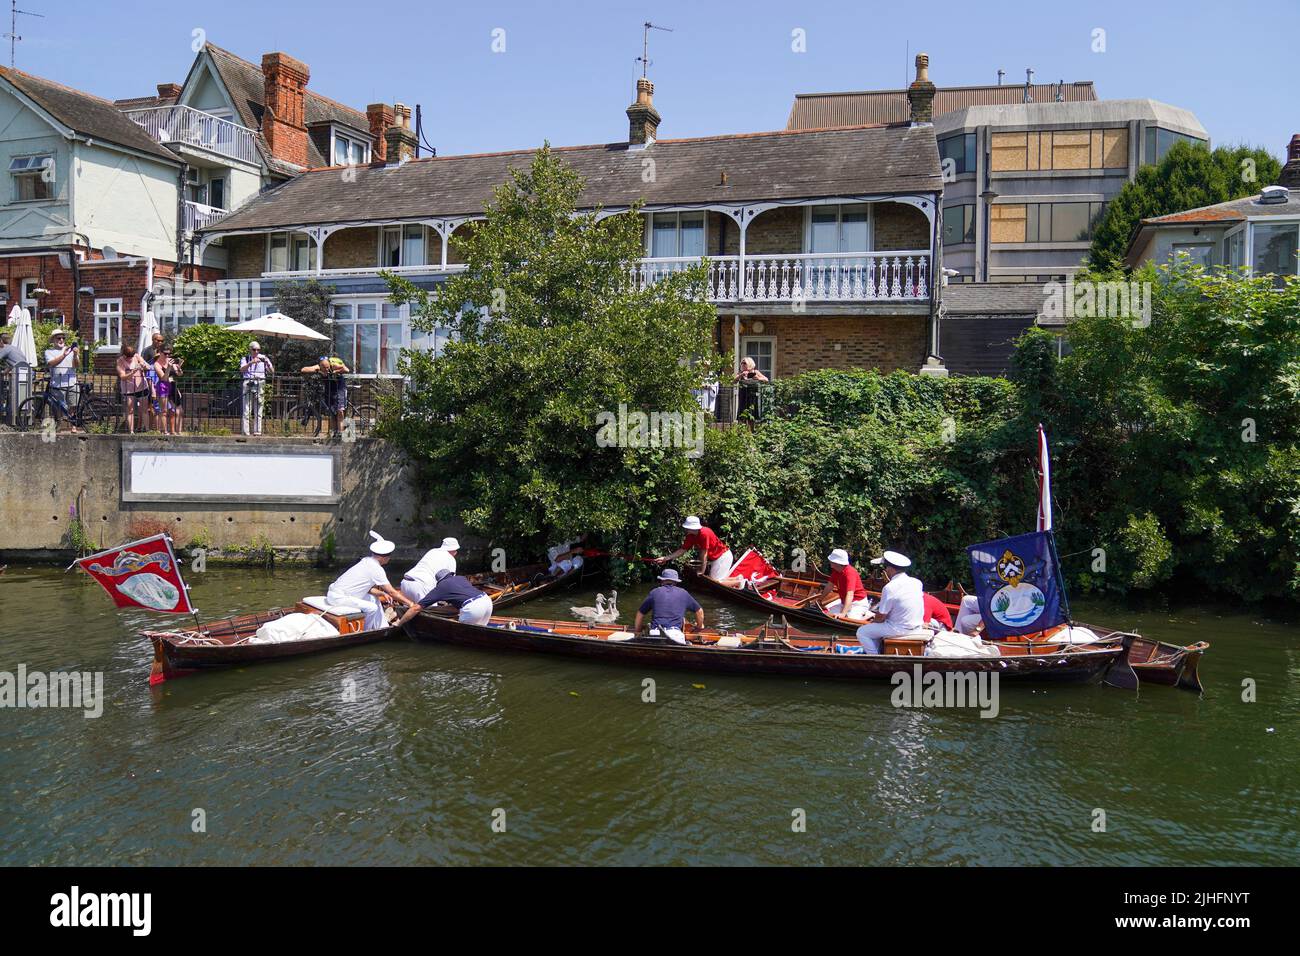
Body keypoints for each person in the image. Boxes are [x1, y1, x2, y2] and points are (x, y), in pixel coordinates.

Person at [325, 531, 414, 631]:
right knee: (372, 608)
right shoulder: (376, 569)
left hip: (337, 594)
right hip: (339, 598)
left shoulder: (366, 560)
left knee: (373, 599)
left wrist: (381, 593)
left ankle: (382, 627)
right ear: (384, 557)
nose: (389, 558)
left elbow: (367, 589)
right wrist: (410, 604)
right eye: (389, 556)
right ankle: (366, 631)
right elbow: (392, 591)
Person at [855, 550, 925, 653]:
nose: (885, 570)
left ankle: (874, 657)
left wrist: (871, 622)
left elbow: (881, 617)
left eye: (886, 567)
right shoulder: (917, 582)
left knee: (862, 632)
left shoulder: (889, 588)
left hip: (899, 629)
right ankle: (880, 650)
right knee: (875, 628)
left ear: (891, 569)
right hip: (916, 626)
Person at [399, 567, 493, 627]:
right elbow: (460, 598)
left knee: (463, 632)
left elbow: (416, 608)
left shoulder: (442, 586)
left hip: (473, 608)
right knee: (481, 628)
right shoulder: (461, 578)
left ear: (439, 581)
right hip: (486, 600)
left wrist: (399, 623)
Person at [634, 568, 704, 644]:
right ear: (676, 582)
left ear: (662, 581)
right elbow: (699, 611)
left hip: (655, 633)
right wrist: (698, 628)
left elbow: (640, 614)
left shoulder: (654, 592)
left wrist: (637, 631)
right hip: (675, 635)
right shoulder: (683, 593)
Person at [653, 516, 734, 581]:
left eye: (686, 528)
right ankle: (738, 579)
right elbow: (682, 550)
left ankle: (740, 582)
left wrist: (701, 571)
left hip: (722, 556)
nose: (685, 529)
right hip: (715, 558)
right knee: (714, 580)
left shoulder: (705, 533)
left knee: (716, 582)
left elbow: (704, 554)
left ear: (692, 528)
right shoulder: (690, 536)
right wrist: (666, 558)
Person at [399, 536, 459, 603]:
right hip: (421, 586)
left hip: (405, 582)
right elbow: (450, 582)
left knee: (410, 610)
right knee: (431, 611)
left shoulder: (433, 551)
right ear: (454, 550)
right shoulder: (451, 559)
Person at [302, 354, 350, 435]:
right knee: (332, 412)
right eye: (324, 367)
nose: (327, 369)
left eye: (327, 367)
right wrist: (318, 371)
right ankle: (335, 433)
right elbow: (303, 370)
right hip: (329, 389)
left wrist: (336, 371)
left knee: (340, 411)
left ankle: (341, 433)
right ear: (320, 365)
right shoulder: (318, 367)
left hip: (339, 388)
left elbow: (346, 369)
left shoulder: (334, 365)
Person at [43, 329, 81, 433]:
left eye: (63, 338)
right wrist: (64, 355)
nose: (61, 340)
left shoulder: (70, 350)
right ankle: (59, 425)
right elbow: (51, 363)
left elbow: (76, 365)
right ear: (53, 340)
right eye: (58, 338)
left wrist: (74, 355)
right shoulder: (49, 352)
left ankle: (73, 426)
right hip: (57, 384)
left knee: (73, 405)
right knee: (58, 407)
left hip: (72, 381)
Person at [821, 548, 871, 620]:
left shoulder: (850, 573)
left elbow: (850, 594)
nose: (830, 562)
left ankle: (867, 614)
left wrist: (843, 613)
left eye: (831, 561)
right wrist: (820, 600)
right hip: (844, 602)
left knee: (850, 618)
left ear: (836, 562)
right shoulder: (836, 571)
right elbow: (829, 586)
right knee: (829, 613)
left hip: (858, 603)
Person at [115, 344, 151, 434]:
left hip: (141, 386)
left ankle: (147, 430)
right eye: (128, 357)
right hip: (128, 388)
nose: (130, 358)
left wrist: (143, 365)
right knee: (130, 410)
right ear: (124, 355)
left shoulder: (136, 356)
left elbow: (148, 367)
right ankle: (131, 431)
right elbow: (122, 377)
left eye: (131, 356)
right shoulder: (120, 361)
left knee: (144, 409)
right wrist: (132, 372)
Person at [240, 341, 273, 436]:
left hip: (260, 383)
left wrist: (267, 363)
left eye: (258, 349)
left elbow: (272, 372)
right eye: (254, 349)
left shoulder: (264, 358)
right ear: (250, 350)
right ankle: (246, 432)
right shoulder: (245, 358)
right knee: (247, 408)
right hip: (248, 383)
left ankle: (257, 431)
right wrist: (250, 363)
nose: (257, 352)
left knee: (259, 407)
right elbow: (241, 370)